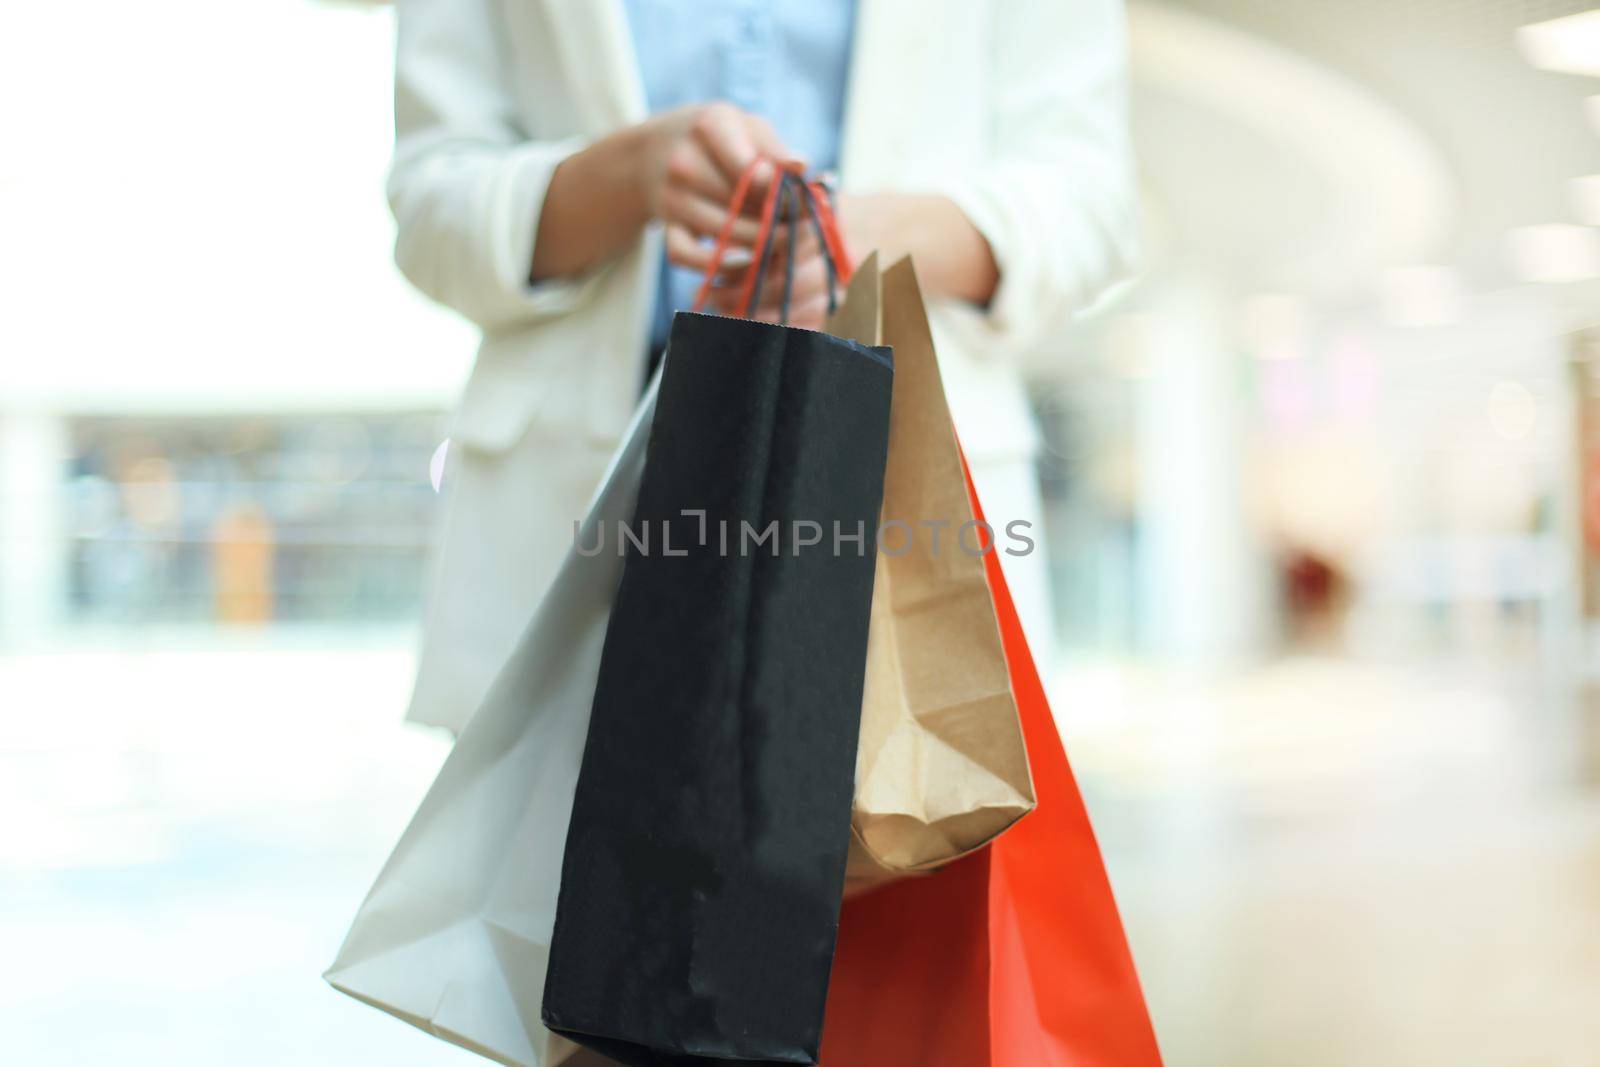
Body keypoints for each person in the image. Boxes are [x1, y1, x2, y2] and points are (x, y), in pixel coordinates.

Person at [393, 0, 1137, 732]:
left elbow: (1088, 203)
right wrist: (629, 173)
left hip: (890, 485)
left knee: (906, 837)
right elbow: (432, 205)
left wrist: (853, 236)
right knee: (564, 844)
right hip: (586, 497)